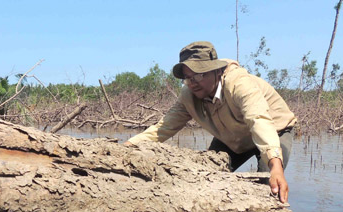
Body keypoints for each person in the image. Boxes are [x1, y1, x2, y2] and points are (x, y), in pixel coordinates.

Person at [124, 41, 297, 203]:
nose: (193, 83)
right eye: (188, 78)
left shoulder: (239, 84)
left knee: (267, 188)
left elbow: (258, 120)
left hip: (275, 130)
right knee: (208, 178)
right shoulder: (189, 96)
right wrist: (126, 147)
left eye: (198, 75)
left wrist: (275, 165)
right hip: (232, 136)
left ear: (216, 70)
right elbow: (162, 128)